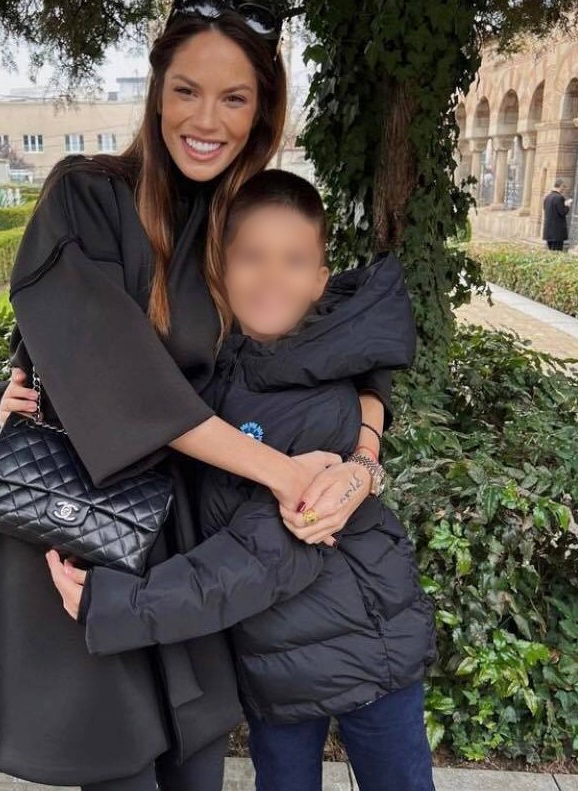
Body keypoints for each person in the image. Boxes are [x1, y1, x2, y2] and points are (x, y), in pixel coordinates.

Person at [0, 3, 396, 790]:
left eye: (234, 98)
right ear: (156, 91)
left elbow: (342, 337)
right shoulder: (84, 198)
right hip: (89, 535)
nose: (207, 120)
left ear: (261, 111)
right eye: (186, 90)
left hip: (193, 545)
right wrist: (284, 472)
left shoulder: (240, 224)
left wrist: (363, 457)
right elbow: (119, 379)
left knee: (197, 765)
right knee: (122, 769)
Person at [63, 169, 437, 791]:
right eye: (252, 257)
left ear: (320, 280)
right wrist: (12, 404)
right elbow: (129, 394)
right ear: (221, 267)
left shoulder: (319, 400)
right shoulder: (222, 369)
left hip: (369, 657)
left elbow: (265, 556)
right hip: (273, 667)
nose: (271, 278)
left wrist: (124, 606)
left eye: (293, 261)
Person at [542, 178, 572, 251]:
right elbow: (562, 213)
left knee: (551, 252)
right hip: (557, 232)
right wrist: (567, 206)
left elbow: (547, 210)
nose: (564, 189)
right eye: (564, 187)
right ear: (561, 186)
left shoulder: (547, 197)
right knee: (557, 252)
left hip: (548, 231)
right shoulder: (559, 197)